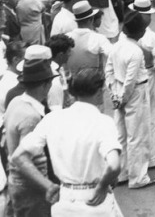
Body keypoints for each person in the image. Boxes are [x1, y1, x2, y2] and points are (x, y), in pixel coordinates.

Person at [11, 68, 124, 215]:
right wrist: (103, 185)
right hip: (95, 200)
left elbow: (18, 157)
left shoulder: (53, 119)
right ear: (98, 92)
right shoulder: (103, 122)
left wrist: (49, 186)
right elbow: (114, 165)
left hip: (65, 200)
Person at [105, 11, 155, 189]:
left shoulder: (116, 46)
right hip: (135, 92)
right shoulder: (136, 51)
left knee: (121, 134)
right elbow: (131, 79)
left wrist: (114, 95)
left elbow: (109, 71)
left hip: (118, 89)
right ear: (139, 32)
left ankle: (121, 173)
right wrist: (123, 98)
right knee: (138, 135)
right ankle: (138, 177)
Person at [5, 58, 56, 217]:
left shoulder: (16, 101)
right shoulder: (31, 117)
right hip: (31, 188)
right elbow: (24, 160)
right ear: (46, 85)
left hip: (16, 182)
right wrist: (49, 186)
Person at [128, 0, 155, 170]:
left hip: (130, 80)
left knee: (134, 120)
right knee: (152, 115)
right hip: (147, 77)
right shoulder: (151, 35)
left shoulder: (127, 33)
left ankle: (135, 160)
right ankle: (154, 156)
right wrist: (152, 69)